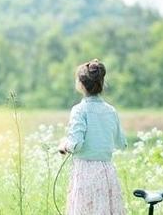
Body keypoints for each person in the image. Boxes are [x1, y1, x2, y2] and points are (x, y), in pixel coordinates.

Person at [58, 59, 127, 215]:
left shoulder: (79, 110)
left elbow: (76, 145)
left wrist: (64, 144)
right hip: (107, 172)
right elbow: (122, 143)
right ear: (101, 82)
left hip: (85, 173)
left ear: (81, 84)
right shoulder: (111, 111)